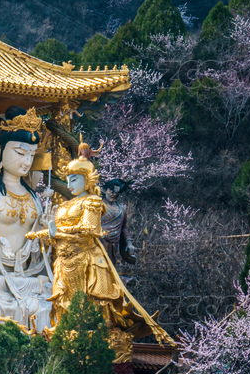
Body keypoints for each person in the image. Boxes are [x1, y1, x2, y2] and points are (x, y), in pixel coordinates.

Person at [27, 151, 174, 357]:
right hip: (64, 261)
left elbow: (90, 230)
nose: (69, 184)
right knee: (64, 304)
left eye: (74, 179)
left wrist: (58, 232)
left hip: (88, 260)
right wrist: (45, 235)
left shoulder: (93, 202)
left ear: (87, 179)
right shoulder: (65, 205)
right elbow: (55, 235)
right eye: (68, 179)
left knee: (96, 304)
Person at [0, 109, 55, 333]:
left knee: (51, 287)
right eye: (20, 153)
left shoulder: (34, 198)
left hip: (26, 273)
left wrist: (47, 229)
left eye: (31, 155)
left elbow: (38, 245)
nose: (26, 161)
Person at [100, 178, 136, 266]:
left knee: (111, 269)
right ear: (105, 190)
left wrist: (129, 243)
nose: (114, 194)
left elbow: (124, 229)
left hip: (113, 246)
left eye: (117, 192)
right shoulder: (98, 206)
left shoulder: (121, 210)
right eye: (111, 191)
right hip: (98, 244)